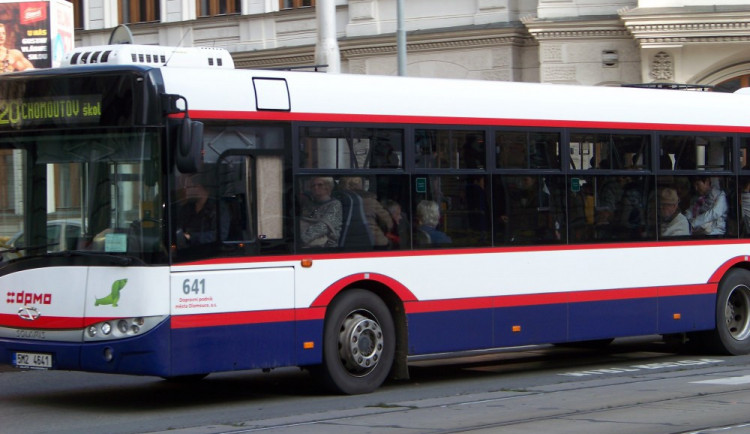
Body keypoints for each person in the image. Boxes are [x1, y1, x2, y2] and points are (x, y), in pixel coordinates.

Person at [174, 173, 229, 248]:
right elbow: (178, 228)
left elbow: (221, 235)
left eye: (190, 187)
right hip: (186, 251)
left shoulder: (219, 208)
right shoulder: (187, 208)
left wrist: (191, 237)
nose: (186, 190)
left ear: (200, 187)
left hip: (211, 253)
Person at [339, 176, 393, 248]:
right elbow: (388, 222)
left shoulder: (336, 201)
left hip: (344, 243)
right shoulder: (370, 201)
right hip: (374, 242)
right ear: (361, 185)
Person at [300, 176, 342, 248]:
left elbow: (322, 227)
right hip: (309, 241)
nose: (315, 187)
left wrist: (300, 240)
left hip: (326, 245)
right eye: (313, 185)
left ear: (328, 186)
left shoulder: (335, 204)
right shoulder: (310, 204)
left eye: (320, 185)